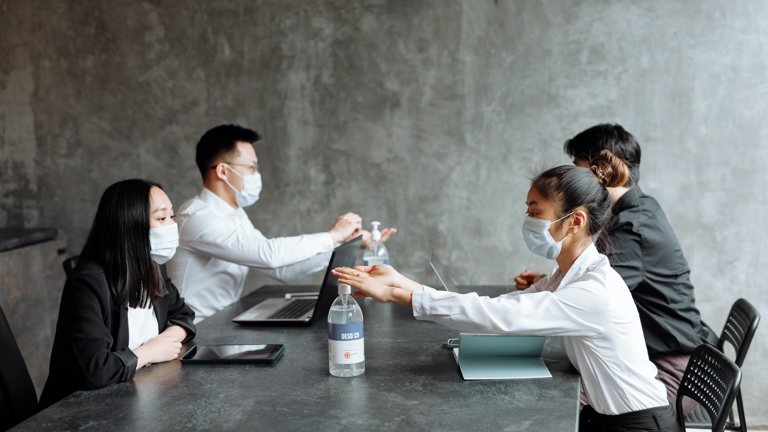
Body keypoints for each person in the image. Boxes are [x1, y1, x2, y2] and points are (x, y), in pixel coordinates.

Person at [333, 154, 680, 432]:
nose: (528, 220)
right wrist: (401, 281)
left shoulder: (594, 290)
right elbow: (508, 304)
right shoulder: (570, 275)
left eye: (535, 212)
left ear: (574, 222)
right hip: (607, 417)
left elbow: (499, 317)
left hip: (638, 423)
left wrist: (401, 296)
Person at [514, 123, 717, 414]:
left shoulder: (635, 226)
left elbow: (590, 294)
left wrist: (550, 287)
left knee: (555, 406)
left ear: (601, 167)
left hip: (674, 372)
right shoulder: (636, 209)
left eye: (578, 166)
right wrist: (550, 281)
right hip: (671, 357)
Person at [168, 124, 395, 322]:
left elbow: (283, 269)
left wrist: (346, 243)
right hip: (197, 330)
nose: (256, 175)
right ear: (222, 171)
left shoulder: (233, 215)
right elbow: (269, 255)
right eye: (251, 168)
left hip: (224, 322)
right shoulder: (197, 218)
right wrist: (332, 236)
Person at [40, 179, 196, 409]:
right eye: (161, 218)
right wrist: (150, 351)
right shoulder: (88, 283)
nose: (171, 226)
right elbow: (97, 370)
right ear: (129, 225)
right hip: (80, 413)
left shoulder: (153, 266)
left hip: (136, 400)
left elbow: (183, 315)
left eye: (172, 217)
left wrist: (167, 339)